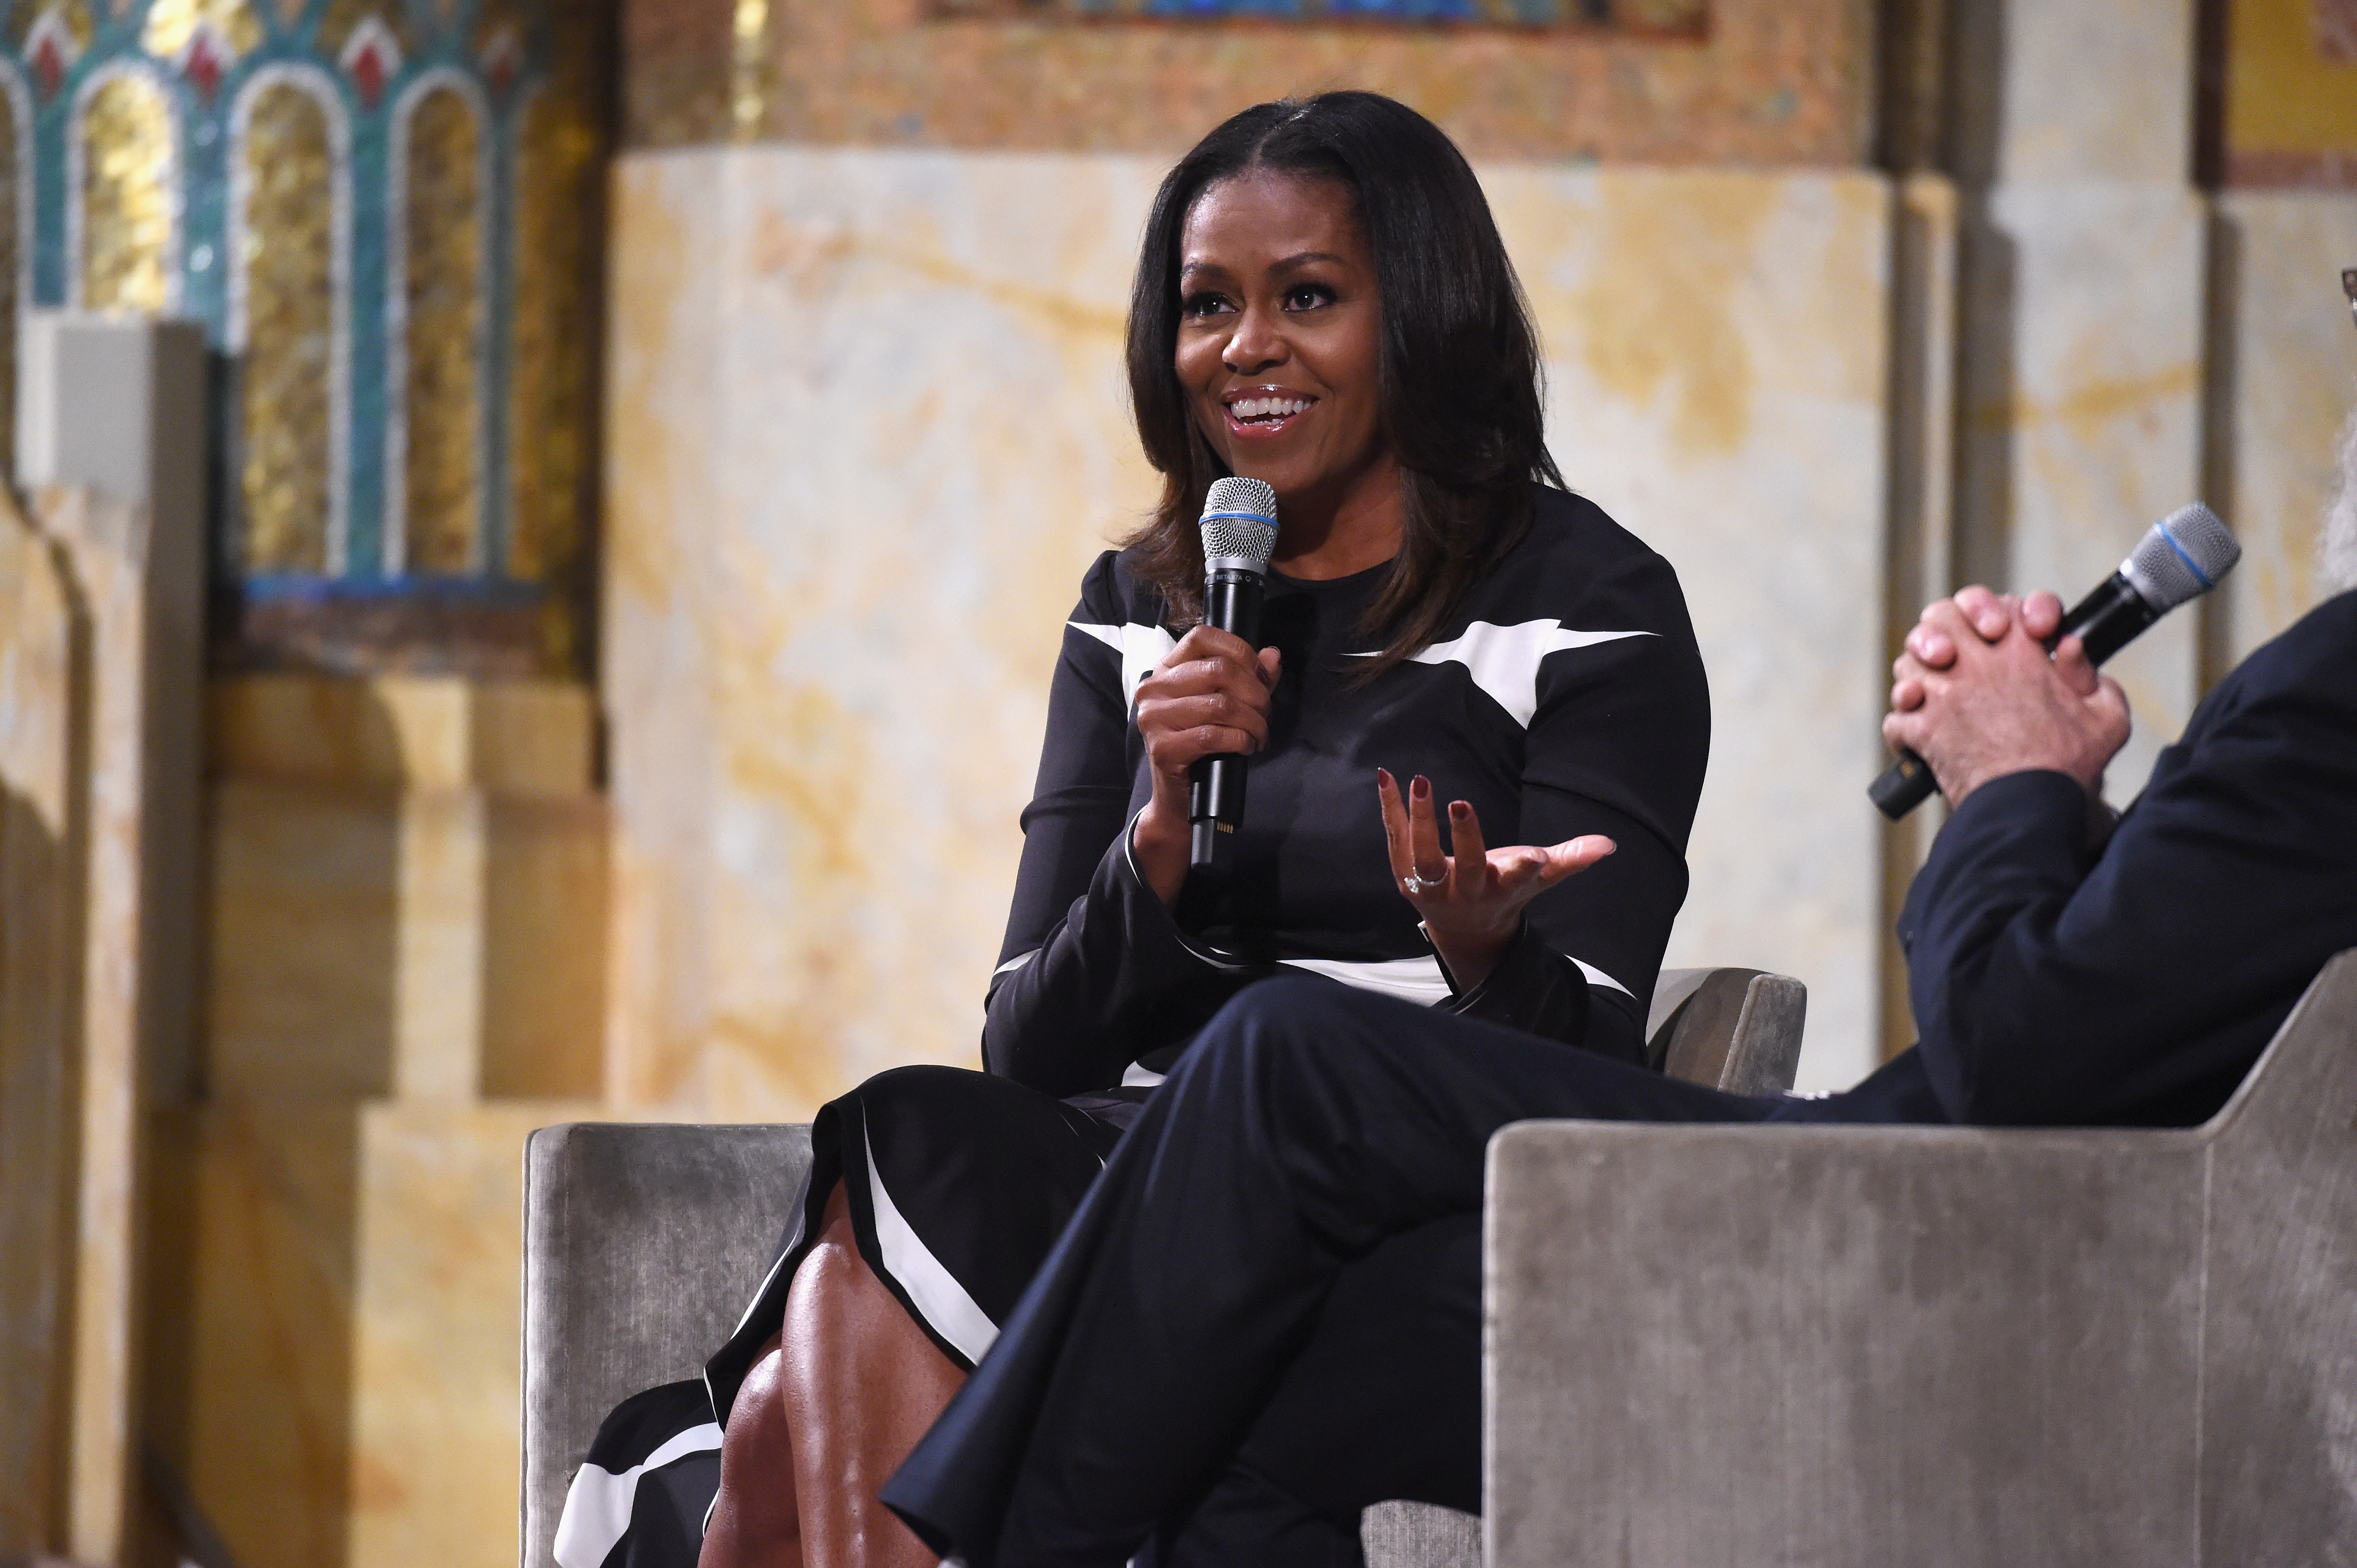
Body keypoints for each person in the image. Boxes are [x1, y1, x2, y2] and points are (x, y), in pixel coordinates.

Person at [872, 398, 2357, 1564]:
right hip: (2005, 1190)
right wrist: (2058, 793)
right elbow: (2150, 996)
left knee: (1279, 1060)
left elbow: (2024, 1052)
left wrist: (2007, 782)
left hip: (1958, 1231)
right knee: (1248, 1355)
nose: (1251, 347)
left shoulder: (2336, 682)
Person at [556, 92, 1714, 1568]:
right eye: (1204, 306)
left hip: (1392, 1192)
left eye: (1307, 298)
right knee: (920, 1133)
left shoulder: (1587, 600)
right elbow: (1027, 1050)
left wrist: (1483, 950)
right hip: (1130, 1160)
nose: (1245, 349)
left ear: (1422, 312)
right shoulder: (1137, 606)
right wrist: (1154, 846)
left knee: (807, 1373)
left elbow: (1598, 1078)